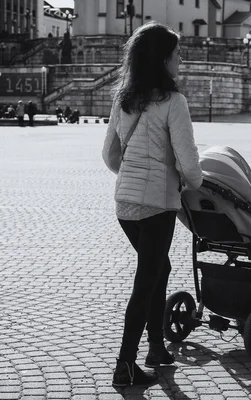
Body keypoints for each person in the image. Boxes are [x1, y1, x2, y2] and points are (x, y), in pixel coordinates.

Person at [101, 22, 204, 388]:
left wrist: (130, 179)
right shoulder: (173, 102)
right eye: (177, 54)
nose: (181, 60)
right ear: (163, 59)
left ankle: (156, 349)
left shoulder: (123, 99)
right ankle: (125, 365)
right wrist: (195, 185)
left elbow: (110, 155)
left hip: (125, 205)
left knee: (158, 269)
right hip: (158, 206)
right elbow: (189, 163)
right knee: (146, 281)